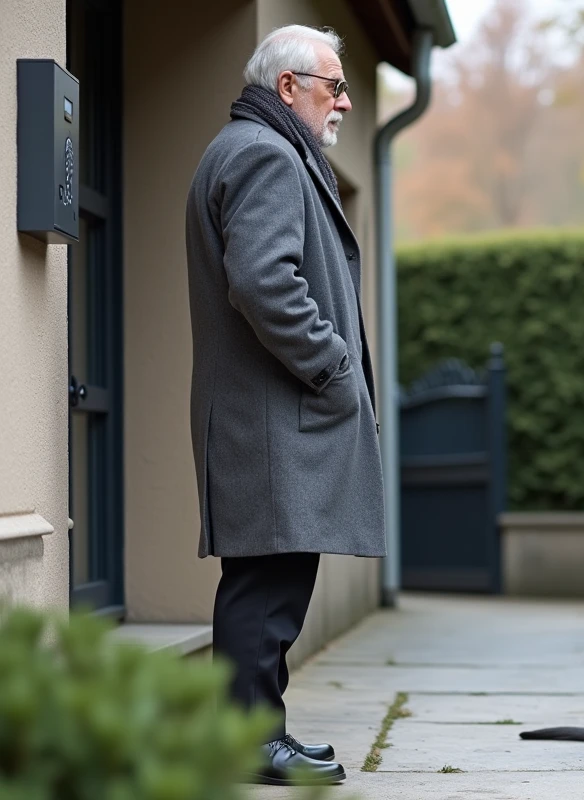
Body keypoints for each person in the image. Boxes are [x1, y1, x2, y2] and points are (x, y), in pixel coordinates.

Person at [184, 24, 385, 786]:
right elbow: (266, 283)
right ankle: (247, 741)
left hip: (269, 421)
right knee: (264, 589)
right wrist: (335, 367)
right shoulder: (266, 154)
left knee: (269, 586)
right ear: (288, 86)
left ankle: (261, 731)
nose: (345, 99)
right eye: (333, 85)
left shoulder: (256, 150)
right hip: (273, 421)